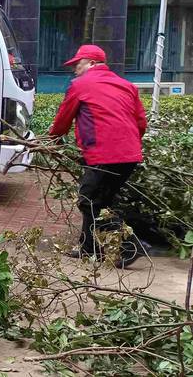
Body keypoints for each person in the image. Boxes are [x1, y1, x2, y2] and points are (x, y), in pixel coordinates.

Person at [49, 44, 149, 268]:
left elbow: (63, 119)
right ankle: (88, 248)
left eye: (78, 64)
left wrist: (53, 139)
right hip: (129, 154)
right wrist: (128, 144)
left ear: (92, 63)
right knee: (100, 200)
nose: (75, 69)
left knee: (88, 200)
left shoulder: (80, 85)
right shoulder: (127, 86)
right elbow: (141, 123)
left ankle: (133, 244)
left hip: (105, 153)